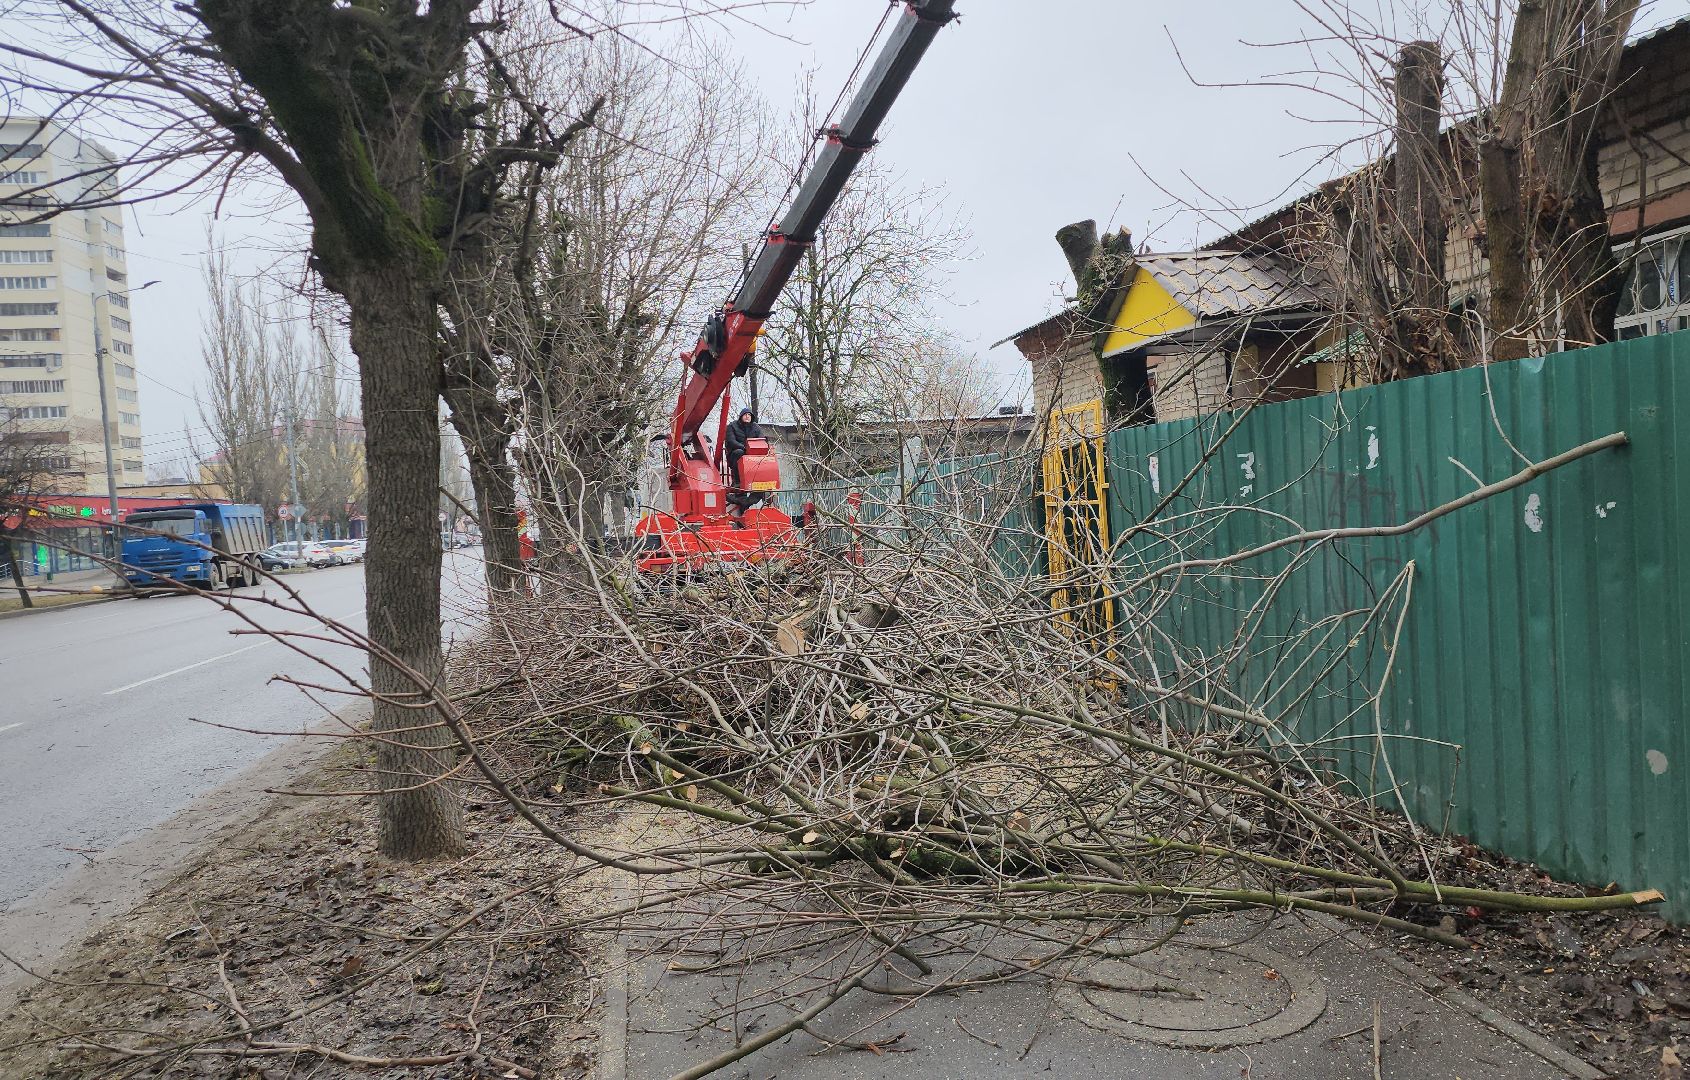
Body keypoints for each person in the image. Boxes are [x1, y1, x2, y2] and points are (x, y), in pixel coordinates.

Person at [723, 407, 762, 490]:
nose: (747, 416)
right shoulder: (732, 426)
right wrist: (745, 448)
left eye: (749, 415)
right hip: (736, 453)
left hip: (753, 453)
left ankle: (760, 480)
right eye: (745, 414)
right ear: (741, 416)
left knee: (764, 457)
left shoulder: (756, 427)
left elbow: (761, 440)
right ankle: (737, 481)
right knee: (739, 452)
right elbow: (731, 441)